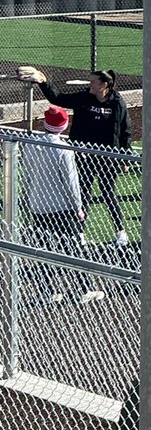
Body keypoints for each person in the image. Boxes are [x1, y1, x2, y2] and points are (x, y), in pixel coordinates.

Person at [22, 67, 133, 246]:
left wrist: (125, 156)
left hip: (107, 156)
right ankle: (80, 232)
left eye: (93, 82)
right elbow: (58, 98)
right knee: (83, 193)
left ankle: (121, 232)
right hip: (84, 155)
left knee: (108, 192)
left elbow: (125, 130)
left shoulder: (117, 102)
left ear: (104, 85)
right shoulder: (84, 98)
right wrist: (43, 81)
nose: (90, 84)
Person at [21, 106, 103, 303]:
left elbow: (27, 177)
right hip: (62, 207)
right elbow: (70, 181)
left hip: (38, 204)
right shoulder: (62, 150)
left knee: (44, 249)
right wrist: (78, 206)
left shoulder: (31, 146)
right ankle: (83, 289)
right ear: (63, 126)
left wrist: (28, 200)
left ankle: (46, 290)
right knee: (73, 248)